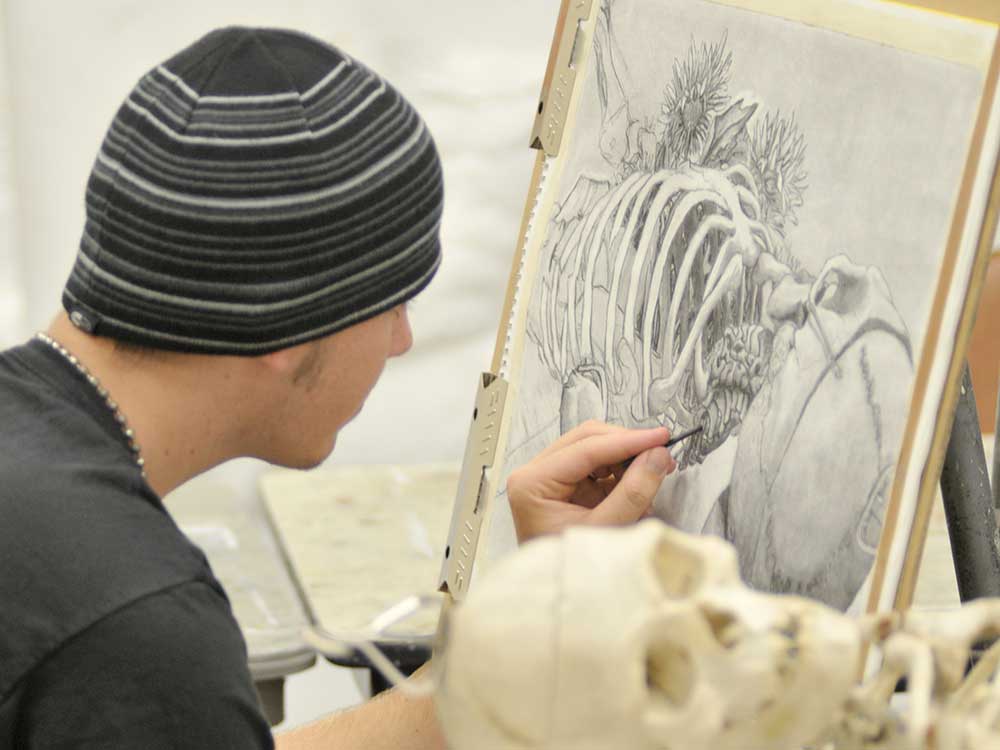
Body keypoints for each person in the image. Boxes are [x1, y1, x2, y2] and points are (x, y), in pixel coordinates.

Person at [0, 27, 677, 749]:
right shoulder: (132, 630)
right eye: (396, 302)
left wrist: (510, 647)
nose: (402, 340)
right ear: (292, 336)